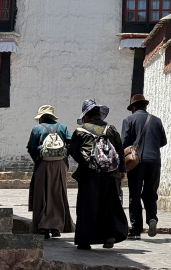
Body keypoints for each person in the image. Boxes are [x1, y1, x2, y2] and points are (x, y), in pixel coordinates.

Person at [69, 98, 130, 250]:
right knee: (109, 206)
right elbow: (120, 150)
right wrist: (122, 170)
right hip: (111, 174)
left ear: (86, 115)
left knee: (87, 206)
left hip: (89, 175)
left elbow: (73, 151)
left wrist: (86, 162)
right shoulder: (111, 129)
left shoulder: (80, 131)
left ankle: (85, 241)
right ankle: (110, 235)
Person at [121, 94, 167, 239]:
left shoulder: (129, 120)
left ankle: (136, 230)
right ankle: (152, 218)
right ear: (145, 106)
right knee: (150, 192)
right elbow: (163, 141)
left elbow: (123, 142)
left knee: (135, 194)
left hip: (136, 162)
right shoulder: (157, 120)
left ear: (133, 107)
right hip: (154, 161)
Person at [26, 105, 74, 239]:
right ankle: (56, 227)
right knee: (58, 193)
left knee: (42, 194)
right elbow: (71, 144)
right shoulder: (63, 127)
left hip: (43, 164)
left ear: (41, 117)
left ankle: (43, 227)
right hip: (60, 165)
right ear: (53, 116)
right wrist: (63, 158)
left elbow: (31, 147)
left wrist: (38, 159)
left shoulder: (37, 129)